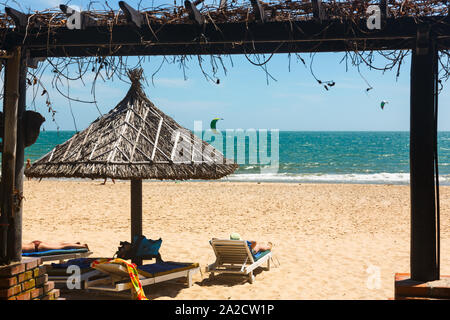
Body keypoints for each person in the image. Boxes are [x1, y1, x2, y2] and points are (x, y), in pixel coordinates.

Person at [22, 240, 89, 253]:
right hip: (34, 244)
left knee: (62, 247)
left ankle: (83, 246)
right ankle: (75, 244)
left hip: (37, 248)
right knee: (59, 244)